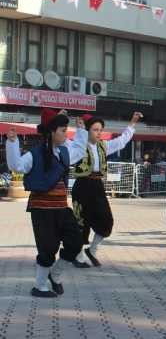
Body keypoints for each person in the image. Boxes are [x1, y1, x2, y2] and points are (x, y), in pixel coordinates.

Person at [5, 109, 90, 298]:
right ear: (52, 132)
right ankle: (39, 286)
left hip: (61, 208)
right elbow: (16, 166)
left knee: (76, 242)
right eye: (62, 130)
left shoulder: (64, 152)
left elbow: (79, 150)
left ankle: (56, 274)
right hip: (42, 209)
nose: (65, 134)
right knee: (48, 249)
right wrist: (12, 143)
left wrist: (82, 131)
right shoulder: (34, 154)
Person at [71, 112, 141, 267]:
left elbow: (121, 141)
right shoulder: (77, 145)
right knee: (81, 222)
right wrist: (79, 132)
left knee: (106, 220)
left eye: (100, 130)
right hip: (82, 186)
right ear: (87, 131)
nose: (99, 133)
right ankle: (78, 255)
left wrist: (132, 123)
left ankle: (93, 250)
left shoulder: (103, 145)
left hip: (97, 186)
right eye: (95, 130)